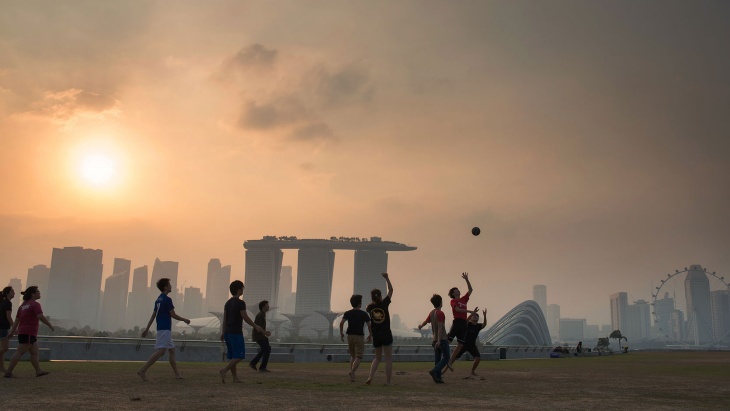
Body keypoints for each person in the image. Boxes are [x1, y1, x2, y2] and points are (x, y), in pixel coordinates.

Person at [137, 278, 191, 381]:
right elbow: (173, 314)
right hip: (165, 329)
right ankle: (142, 371)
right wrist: (184, 320)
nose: (171, 286)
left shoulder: (158, 299)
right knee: (161, 351)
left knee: (172, 350)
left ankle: (177, 375)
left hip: (162, 328)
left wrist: (147, 329)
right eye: (169, 285)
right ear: (165, 287)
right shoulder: (167, 299)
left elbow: (153, 316)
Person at [219, 280, 269, 383]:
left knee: (233, 356)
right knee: (239, 355)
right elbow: (245, 317)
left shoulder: (227, 303)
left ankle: (235, 378)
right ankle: (224, 370)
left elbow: (225, 319)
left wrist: (223, 332)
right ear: (238, 290)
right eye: (242, 288)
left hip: (228, 332)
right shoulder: (241, 303)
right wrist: (255, 326)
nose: (243, 290)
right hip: (235, 332)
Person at [3, 286, 54, 378]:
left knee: (34, 352)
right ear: (33, 294)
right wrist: (49, 325)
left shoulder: (22, 306)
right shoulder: (35, 304)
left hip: (24, 332)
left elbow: (17, 321)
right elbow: (40, 316)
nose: (39, 293)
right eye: (38, 292)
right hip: (29, 333)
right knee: (19, 352)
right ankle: (8, 372)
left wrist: (12, 331)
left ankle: (38, 371)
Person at [365, 272, 394, 385]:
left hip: (376, 335)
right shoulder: (385, 304)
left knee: (377, 358)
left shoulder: (369, 307)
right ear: (381, 296)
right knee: (388, 358)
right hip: (386, 334)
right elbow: (391, 291)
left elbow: (370, 305)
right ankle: (388, 381)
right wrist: (387, 278)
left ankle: (370, 377)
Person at [445, 272, 476, 371]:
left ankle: (450, 363)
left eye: (458, 289)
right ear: (453, 293)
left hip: (463, 324)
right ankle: (442, 355)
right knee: (448, 341)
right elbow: (457, 310)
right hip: (457, 322)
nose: (458, 290)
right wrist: (469, 311)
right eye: (456, 290)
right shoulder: (453, 301)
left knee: (460, 345)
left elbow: (471, 290)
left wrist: (467, 279)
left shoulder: (464, 300)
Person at [339, 294, 372, 382]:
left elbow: (341, 323)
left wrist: (341, 333)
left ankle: (352, 376)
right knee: (359, 356)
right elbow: (369, 325)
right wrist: (370, 334)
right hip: (359, 336)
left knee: (352, 356)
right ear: (359, 304)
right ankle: (352, 372)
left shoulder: (348, 313)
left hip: (350, 336)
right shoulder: (364, 314)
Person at [418, 294, 448, 384]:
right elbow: (440, 328)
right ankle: (435, 371)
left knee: (437, 358)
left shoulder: (432, 313)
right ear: (441, 303)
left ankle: (438, 377)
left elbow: (426, 321)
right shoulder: (440, 313)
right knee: (447, 357)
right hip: (441, 339)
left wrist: (421, 326)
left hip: (434, 339)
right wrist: (439, 340)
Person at [455, 308, 487, 378]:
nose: (475, 316)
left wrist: (484, 315)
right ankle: (443, 370)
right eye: (474, 315)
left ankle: (472, 372)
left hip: (472, 345)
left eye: (477, 316)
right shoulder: (468, 324)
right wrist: (472, 313)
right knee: (454, 357)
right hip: (463, 344)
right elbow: (466, 321)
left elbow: (484, 324)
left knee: (477, 358)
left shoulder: (478, 326)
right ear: (471, 318)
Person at [249, 300, 272, 372]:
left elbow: (260, 327)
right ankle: (258, 365)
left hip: (260, 335)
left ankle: (256, 364)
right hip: (258, 335)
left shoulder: (262, 314)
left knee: (266, 349)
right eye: (267, 305)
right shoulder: (260, 315)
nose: (268, 306)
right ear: (263, 307)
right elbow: (258, 327)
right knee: (266, 349)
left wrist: (265, 332)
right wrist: (265, 333)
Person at [1, 286, 15, 373]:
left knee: (2, 349)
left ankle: (2, 368)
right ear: (8, 293)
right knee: (5, 348)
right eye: (12, 291)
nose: (14, 293)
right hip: (3, 327)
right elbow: (8, 316)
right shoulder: (8, 303)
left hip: (2, 327)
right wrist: (14, 327)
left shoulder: (3, 302)